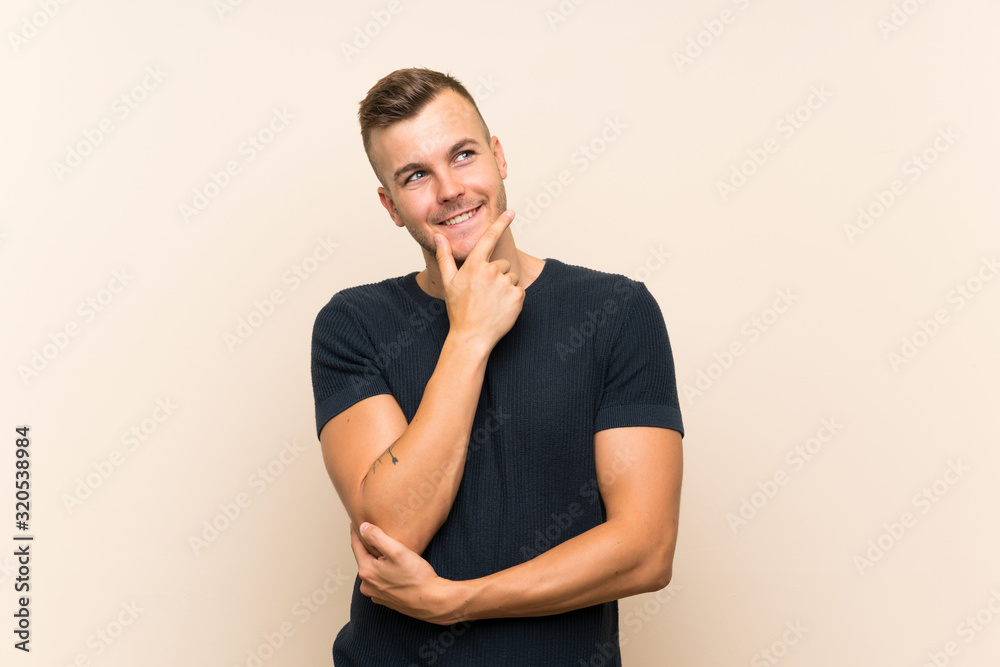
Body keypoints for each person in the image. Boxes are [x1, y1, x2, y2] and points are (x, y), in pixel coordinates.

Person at [310, 67, 684, 666]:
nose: (449, 189)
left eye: (463, 155)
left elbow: (646, 550)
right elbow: (394, 530)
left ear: (499, 157)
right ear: (390, 205)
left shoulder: (616, 311)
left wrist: (456, 601)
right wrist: (469, 337)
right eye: (415, 175)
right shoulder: (353, 323)